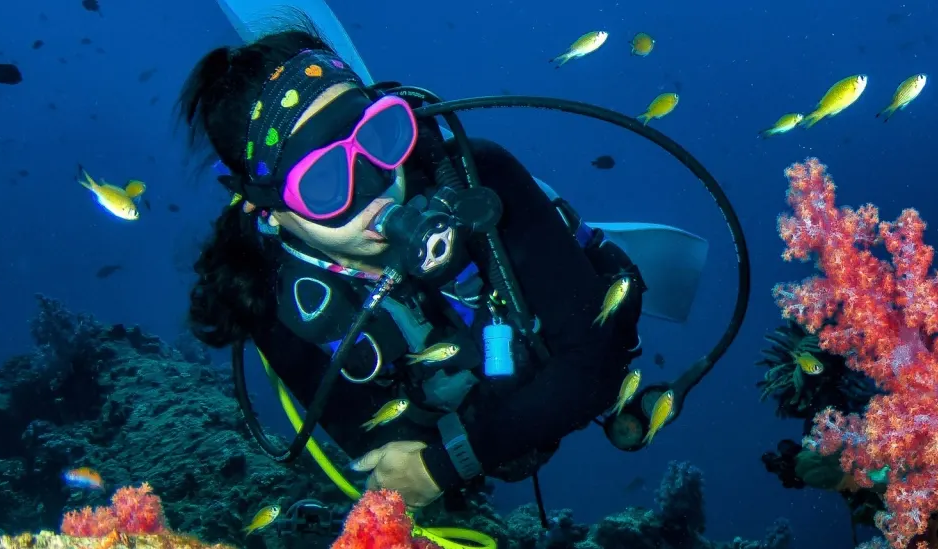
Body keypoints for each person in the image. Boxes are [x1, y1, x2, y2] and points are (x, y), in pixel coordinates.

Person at [178, 22, 677, 510]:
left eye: (378, 138)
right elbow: (386, 458)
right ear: (267, 206)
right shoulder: (267, 297)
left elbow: (596, 362)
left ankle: (572, 241)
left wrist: (443, 465)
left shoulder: (478, 178)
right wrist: (472, 446)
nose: (375, 185)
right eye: (323, 180)